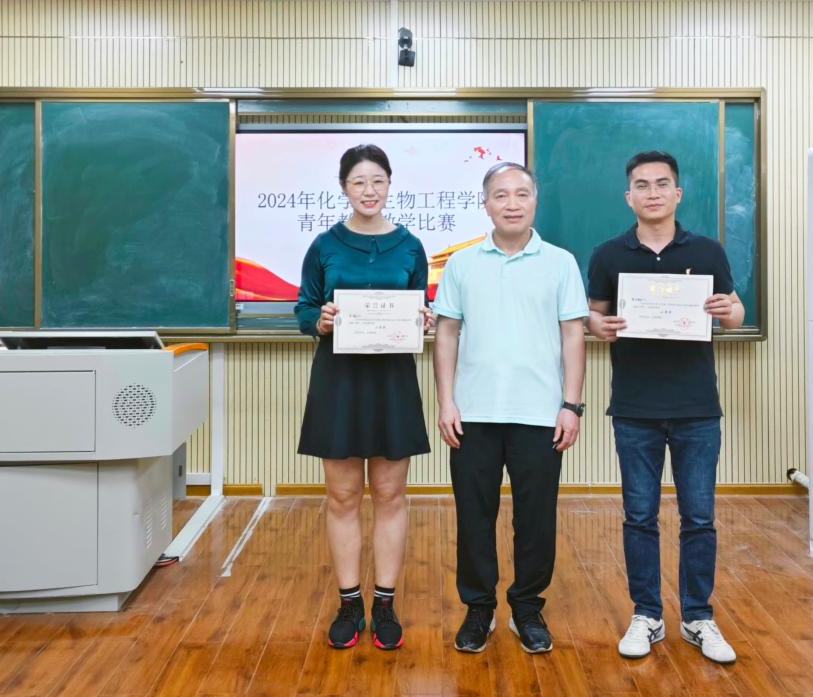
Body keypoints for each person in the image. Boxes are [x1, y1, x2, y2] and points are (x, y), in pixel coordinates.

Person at [586, 150, 745, 664]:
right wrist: (599, 326)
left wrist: (727, 310)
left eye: (661, 184)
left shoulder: (708, 251)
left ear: (678, 193)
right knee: (640, 515)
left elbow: (735, 312)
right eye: (641, 185)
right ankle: (647, 615)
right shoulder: (609, 255)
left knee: (699, 516)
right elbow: (593, 315)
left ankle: (698, 617)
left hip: (697, 407)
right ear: (627, 196)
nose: (651, 193)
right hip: (635, 407)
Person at [433, 161, 587, 654]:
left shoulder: (561, 262)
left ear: (535, 201)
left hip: (540, 413)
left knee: (536, 518)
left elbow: (573, 335)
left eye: (522, 194)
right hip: (473, 413)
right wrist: (446, 401)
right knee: (473, 516)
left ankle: (527, 608)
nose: (512, 203)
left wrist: (571, 405)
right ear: (486, 204)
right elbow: (446, 333)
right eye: (501, 195)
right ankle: (479, 609)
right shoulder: (462, 263)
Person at [295, 144, 434, 651]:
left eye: (377, 181)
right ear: (344, 188)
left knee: (391, 495)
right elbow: (304, 308)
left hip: (393, 381)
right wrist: (319, 320)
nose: (369, 190)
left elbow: (422, 304)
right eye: (358, 182)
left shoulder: (410, 246)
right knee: (343, 496)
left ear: (390, 184)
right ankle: (349, 603)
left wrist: (425, 320)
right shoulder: (324, 245)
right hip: (339, 381)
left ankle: (385, 603)